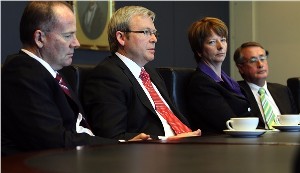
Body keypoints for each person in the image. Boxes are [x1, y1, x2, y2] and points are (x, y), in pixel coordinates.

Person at [1, 1, 149, 156]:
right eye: (68, 35)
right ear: (40, 38)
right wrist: (119, 145)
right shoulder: (21, 73)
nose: (76, 43)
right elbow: (54, 141)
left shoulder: (52, 73)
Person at [83, 6, 201, 140]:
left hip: (189, 143)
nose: (154, 39)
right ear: (121, 37)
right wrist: (165, 141)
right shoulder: (106, 76)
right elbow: (112, 138)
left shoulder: (151, 73)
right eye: (146, 32)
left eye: (154, 33)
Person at [187, 17, 252, 134]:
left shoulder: (228, 81)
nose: (220, 46)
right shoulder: (201, 83)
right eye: (212, 42)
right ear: (199, 50)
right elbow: (229, 123)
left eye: (223, 40)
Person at [233, 41, 297, 129]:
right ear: (241, 68)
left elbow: (295, 123)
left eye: (262, 58)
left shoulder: (283, 91)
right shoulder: (235, 92)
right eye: (253, 60)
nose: (260, 65)